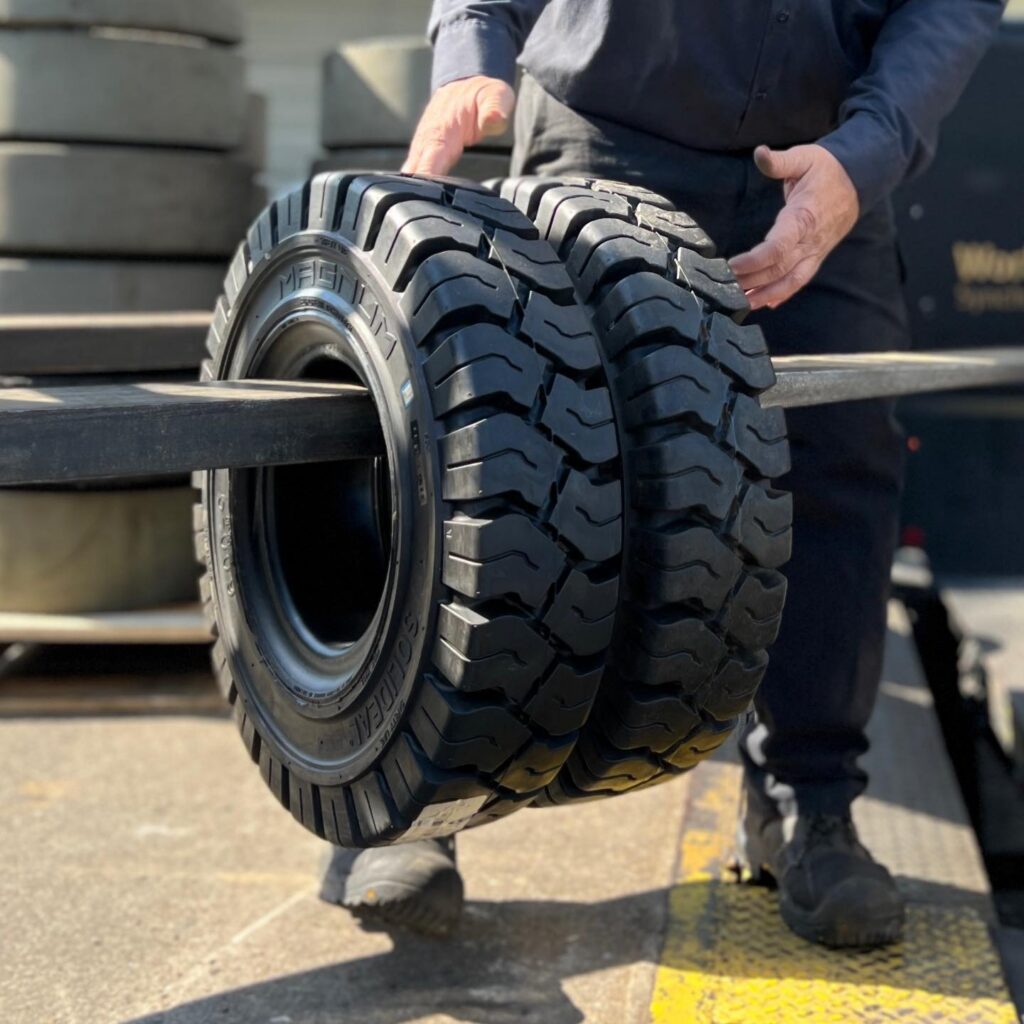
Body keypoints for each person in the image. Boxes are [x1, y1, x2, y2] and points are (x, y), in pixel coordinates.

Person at [321, 0, 1006, 947]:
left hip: (825, 160)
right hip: (609, 136)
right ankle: (418, 802)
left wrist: (868, 152)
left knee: (839, 470)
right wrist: (475, 43)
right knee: (511, 469)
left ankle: (810, 807)